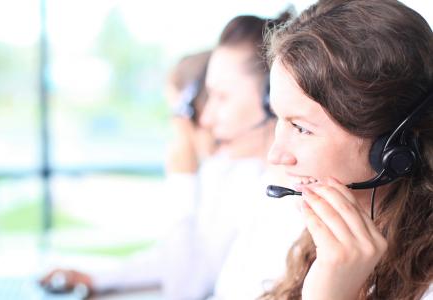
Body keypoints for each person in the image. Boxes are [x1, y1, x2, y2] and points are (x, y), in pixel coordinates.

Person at [41, 11, 291, 299]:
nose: (205, 119)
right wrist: (99, 278)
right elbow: (180, 263)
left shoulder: (273, 198)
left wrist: (182, 179)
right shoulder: (260, 187)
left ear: (271, 99)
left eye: (221, 97)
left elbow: (185, 287)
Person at [220, 0, 433, 299]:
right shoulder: (313, 236)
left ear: (392, 148)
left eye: (302, 128)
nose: (276, 156)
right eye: (279, 119)